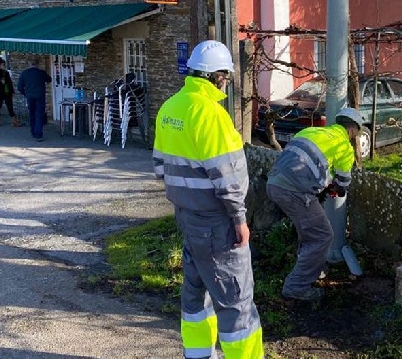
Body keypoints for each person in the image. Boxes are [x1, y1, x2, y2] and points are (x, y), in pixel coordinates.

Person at [152, 40, 264, 359]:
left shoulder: (170, 107)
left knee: (195, 295)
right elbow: (228, 177)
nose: (225, 83)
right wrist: (239, 219)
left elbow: (160, 166)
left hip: (187, 217)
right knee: (236, 303)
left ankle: (199, 355)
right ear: (217, 76)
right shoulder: (211, 114)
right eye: (225, 77)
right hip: (218, 223)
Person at [266, 107, 362, 301]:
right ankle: (296, 287)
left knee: (309, 232)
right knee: (322, 236)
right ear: (353, 131)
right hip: (295, 192)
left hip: (273, 183)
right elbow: (343, 184)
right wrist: (334, 188)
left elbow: (301, 159)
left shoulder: (311, 131)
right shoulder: (344, 146)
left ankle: (313, 268)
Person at [17, 57, 51, 142]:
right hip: (40, 96)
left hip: (30, 97)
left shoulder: (24, 73)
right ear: (38, 64)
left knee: (32, 114)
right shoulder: (41, 73)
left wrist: (26, 94)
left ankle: (33, 132)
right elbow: (49, 79)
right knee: (39, 114)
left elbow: (19, 87)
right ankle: (38, 134)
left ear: (29, 64)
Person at [0, 58, 22, 127]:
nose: (4, 66)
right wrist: (0, 82)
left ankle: (14, 121)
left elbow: (9, 82)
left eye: (4, 64)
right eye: (3, 65)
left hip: (7, 92)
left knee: (10, 106)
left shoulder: (6, 73)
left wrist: (12, 91)